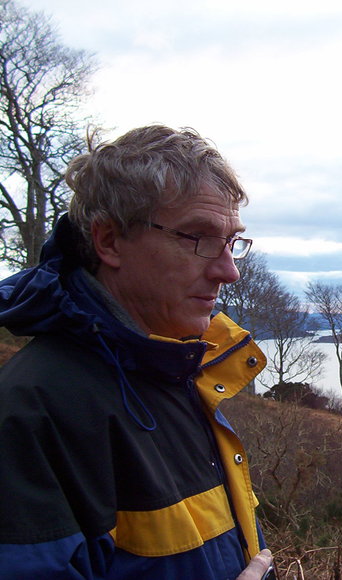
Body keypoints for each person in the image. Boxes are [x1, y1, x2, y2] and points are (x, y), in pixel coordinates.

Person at [0, 125, 275, 579]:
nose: (229, 272)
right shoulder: (32, 414)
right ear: (108, 241)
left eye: (231, 242)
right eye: (198, 238)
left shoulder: (181, 375)